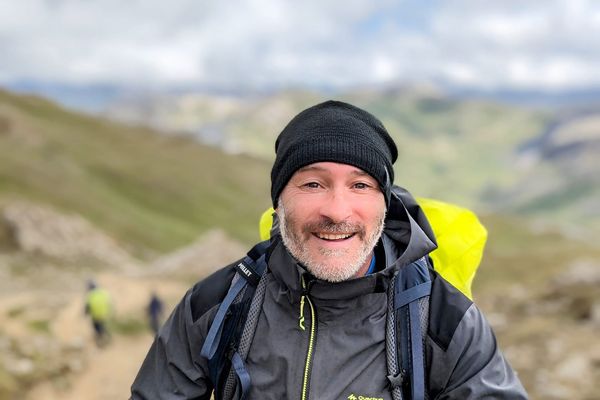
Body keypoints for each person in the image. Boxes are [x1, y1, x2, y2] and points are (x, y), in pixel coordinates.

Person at [131, 100, 527, 399]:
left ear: (385, 204)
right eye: (313, 184)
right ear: (278, 200)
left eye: (360, 186)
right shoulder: (218, 305)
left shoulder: (445, 321)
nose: (337, 212)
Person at [84, 280, 112, 348]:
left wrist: (86, 313)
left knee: (96, 327)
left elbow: (88, 306)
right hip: (104, 313)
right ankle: (106, 335)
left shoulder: (90, 295)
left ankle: (101, 339)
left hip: (95, 314)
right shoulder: (102, 292)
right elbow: (108, 302)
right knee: (101, 324)